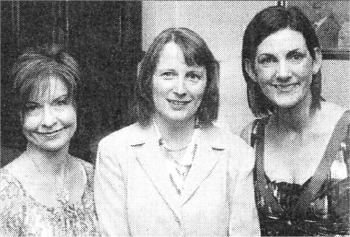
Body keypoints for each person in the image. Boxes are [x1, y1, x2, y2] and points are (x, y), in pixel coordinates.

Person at [94, 27, 260, 236]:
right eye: (168, 75)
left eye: (193, 76)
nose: (180, 89)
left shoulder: (237, 154)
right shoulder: (114, 152)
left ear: (207, 83)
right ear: (148, 80)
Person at [241, 5, 349, 236]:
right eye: (268, 60)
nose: (282, 73)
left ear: (316, 60)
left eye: (295, 56)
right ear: (251, 70)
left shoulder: (347, 132)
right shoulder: (250, 139)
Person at [0, 44, 99, 236]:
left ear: (77, 106)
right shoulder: (5, 191)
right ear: (19, 115)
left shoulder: (95, 177)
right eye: (33, 107)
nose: (48, 120)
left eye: (60, 103)